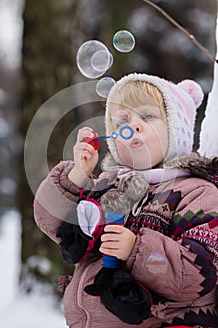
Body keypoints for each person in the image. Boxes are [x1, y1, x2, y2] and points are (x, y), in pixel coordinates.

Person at [33, 73, 218, 328]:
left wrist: (136, 249)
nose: (134, 125)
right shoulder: (108, 188)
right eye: (123, 119)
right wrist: (78, 175)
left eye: (148, 116)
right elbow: (51, 221)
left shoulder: (196, 193)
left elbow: (199, 274)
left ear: (177, 129)